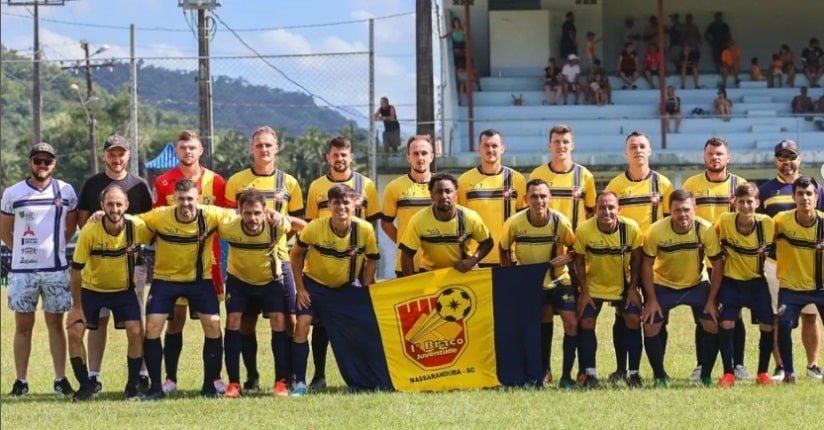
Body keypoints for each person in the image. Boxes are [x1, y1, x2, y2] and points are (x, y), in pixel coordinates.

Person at [139, 179, 240, 400]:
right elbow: (132, 222)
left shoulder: (211, 214)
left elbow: (237, 216)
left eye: (190, 199)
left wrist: (272, 216)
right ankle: (156, 387)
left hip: (199, 280)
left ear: (198, 199)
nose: (186, 204)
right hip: (165, 280)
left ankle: (209, 384)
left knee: (213, 324)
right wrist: (100, 216)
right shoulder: (159, 215)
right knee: (153, 326)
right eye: (181, 199)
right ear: (174, 199)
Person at [223, 126, 305, 394]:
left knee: (289, 320)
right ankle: (251, 376)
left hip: (278, 262)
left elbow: (302, 224)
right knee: (244, 322)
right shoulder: (236, 181)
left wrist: (282, 225)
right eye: (259, 145)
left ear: (276, 148)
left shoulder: (289, 183)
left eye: (268, 145)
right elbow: (226, 221)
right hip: (243, 261)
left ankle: (288, 376)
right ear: (252, 149)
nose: (264, 150)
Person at [75, 134, 153, 394]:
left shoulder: (139, 185)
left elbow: (147, 224)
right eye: (112, 154)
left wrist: (126, 237)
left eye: (121, 154)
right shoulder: (92, 184)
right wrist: (98, 219)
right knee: (99, 322)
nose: (116, 159)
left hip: (134, 262)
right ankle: (94, 375)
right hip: (99, 263)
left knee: (136, 321)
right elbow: (83, 222)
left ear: (128, 156)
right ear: (105, 155)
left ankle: (141, 373)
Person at [152, 129, 227, 394]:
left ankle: (215, 378)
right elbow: (157, 222)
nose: (188, 152)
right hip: (173, 267)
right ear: (177, 150)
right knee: (175, 322)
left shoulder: (216, 182)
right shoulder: (163, 182)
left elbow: (228, 219)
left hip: (208, 265)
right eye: (183, 148)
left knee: (213, 322)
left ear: (201, 150)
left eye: (192, 147)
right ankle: (170, 379)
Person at [1, 142, 78, 396]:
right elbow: (4, 230)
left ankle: (60, 379)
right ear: (29, 162)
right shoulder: (13, 193)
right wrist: (23, 254)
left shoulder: (66, 191)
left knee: (56, 325)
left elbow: (69, 228)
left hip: (55, 269)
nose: (42, 165)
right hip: (23, 271)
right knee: (23, 326)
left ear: (54, 164)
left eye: (48, 161)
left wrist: (53, 249)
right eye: (38, 161)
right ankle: (21, 381)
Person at [305, 135, 381, 390]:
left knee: (360, 323)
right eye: (335, 155)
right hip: (325, 266)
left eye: (344, 154)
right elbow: (312, 227)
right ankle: (318, 375)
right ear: (328, 157)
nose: (339, 159)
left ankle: (363, 375)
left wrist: (364, 272)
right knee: (321, 325)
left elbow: (373, 223)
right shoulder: (316, 186)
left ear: (351, 157)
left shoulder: (366, 185)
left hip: (355, 267)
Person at [290, 184, 380, 396]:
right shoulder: (314, 227)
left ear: (354, 205)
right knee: (302, 325)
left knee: (363, 328)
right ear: (329, 205)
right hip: (315, 285)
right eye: (336, 203)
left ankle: (365, 379)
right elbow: (295, 255)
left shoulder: (364, 230)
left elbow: (371, 261)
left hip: (346, 288)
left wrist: (366, 290)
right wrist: (300, 289)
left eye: (345, 202)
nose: (341, 207)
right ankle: (300, 383)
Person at [528, 125, 596, 384]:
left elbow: (590, 217)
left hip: (575, 256)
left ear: (572, 145)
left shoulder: (585, 177)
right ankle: (545, 370)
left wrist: (577, 252)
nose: (561, 146)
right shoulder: (538, 174)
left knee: (577, 315)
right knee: (544, 315)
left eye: (566, 141)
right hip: (545, 257)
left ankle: (579, 370)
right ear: (549, 145)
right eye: (557, 142)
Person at [605, 132, 674, 382]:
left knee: (657, 315)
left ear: (650, 150)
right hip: (624, 261)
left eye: (642, 146)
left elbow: (670, 221)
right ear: (626, 152)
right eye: (633, 147)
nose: (638, 150)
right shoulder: (615, 186)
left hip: (655, 260)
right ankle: (622, 368)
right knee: (624, 314)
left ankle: (659, 368)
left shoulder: (664, 185)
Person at [641, 189, 724, 388]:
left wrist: (712, 301)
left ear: (695, 209)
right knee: (651, 323)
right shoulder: (656, 230)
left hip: (696, 284)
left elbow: (718, 265)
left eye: (687, 209)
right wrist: (651, 300)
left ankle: (705, 375)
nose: (683, 215)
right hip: (664, 284)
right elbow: (646, 265)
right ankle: (659, 376)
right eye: (677, 210)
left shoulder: (705, 230)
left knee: (712, 323)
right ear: (670, 210)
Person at [499, 179, 577, 388]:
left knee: (571, 322)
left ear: (550, 198)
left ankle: (567, 375)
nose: (539, 201)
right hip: (531, 282)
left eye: (543, 196)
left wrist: (567, 258)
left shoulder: (560, 222)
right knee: (543, 326)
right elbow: (503, 248)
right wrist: (512, 274)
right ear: (526, 199)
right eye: (534, 196)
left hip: (560, 278)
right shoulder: (515, 223)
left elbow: (576, 248)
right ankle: (544, 371)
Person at [682, 137, 749, 381]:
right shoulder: (692, 184)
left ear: (728, 157)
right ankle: (702, 365)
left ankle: (738, 365)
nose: (715, 157)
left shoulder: (739, 184)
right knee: (703, 314)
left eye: (720, 154)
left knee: (734, 314)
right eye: (711, 154)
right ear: (704, 157)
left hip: (731, 261)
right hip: (699, 261)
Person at [758, 139, 824, 381]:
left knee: (810, 316)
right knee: (780, 318)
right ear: (776, 160)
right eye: (782, 157)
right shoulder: (765, 190)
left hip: (812, 266)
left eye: (791, 156)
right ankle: (781, 367)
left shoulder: (816, 187)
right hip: (778, 266)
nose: (787, 162)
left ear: (800, 158)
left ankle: (813, 365)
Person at [219, 189, 291, 398]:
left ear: (265, 211)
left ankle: (281, 382)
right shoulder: (228, 228)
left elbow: (293, 226)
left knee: (279, 321)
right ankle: (236, 383)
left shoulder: (276, 226)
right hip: (239, 282)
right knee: (236, 323)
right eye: (248, 213)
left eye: (257, 213)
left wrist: (280, 217)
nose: (252, 218)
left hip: (270, 282)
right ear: (240, 211)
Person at [705, 183, 776, 387]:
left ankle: (762, 373)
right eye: (742, 201)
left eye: (750, 202)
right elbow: (711, 240)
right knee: (726, 323)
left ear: (757, 203)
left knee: (768, 325)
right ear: (734, 202)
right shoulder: (725, 221)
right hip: (731, 282)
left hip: (757, 283)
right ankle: (729, 373)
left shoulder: (768, 224)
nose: (746, 206)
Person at [574, 191, 644, 388]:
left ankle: (634, 373)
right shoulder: (584, 230)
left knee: (632, 318)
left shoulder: (630, 228)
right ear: (594, 210)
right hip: (594, 286)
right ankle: (590, 374)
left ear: (618, 209)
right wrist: (584, 292)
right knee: (586, 319)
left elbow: (637, 260)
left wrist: (633, 289)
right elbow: (578, 261)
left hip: (622, 287)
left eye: (611, 207)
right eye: (602, 207)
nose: (607, 211)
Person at [774, 175, 824, 383]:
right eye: (800, 194)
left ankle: (813, 367)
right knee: (784, 326)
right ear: (793, 196)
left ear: (816, 197)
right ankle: (788, 372)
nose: (805, 198)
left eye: (809, 193)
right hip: (791, 288)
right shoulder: (780, 221)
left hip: (820, 287)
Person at [457, 129, 527, 267]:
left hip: (508, 257)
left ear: (502, 148)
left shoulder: (517, 179)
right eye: (486, 146)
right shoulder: (464, 181)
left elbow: (523, 220)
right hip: (475, 258)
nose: (490, 150)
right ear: (479, 149)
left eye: (494, 145)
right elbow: (459, 222)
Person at [399, 173, 492, 276]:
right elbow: (406, 254)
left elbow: (488, 242)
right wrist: (411, 287)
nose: (444, 196)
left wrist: (473, 260)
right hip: (431, 274)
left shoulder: (470, 217)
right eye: (439, 192)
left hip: (462, 273)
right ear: (431, 195)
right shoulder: (418, 220)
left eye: (448, 191)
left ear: (456, 194)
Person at [381, 135, 435, 277]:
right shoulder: (394, 187)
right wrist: (405, 244)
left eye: (424, 153)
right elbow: (386, 224)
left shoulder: (443, 187)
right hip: (406, 264)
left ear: (432, 157)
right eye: (415, 153)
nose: (420, 157)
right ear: (408, 157)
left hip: (437, 264)